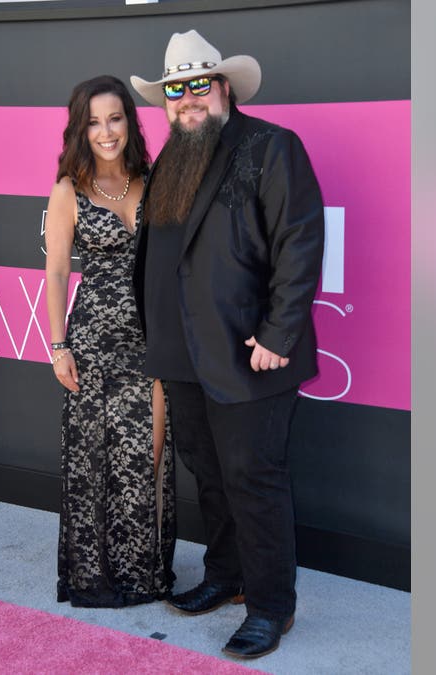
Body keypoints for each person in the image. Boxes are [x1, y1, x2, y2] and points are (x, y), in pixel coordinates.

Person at [130, 31, 325, 659]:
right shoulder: (172, 158)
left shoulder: (271, 147)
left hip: (250, 352)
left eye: (198, 85)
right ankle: (225, 575)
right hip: (182, 354)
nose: (187, 100)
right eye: (174, 91)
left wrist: (279, 333)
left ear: (224, 88)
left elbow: (299, 241)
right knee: (209, 474)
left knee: (253, 479)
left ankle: (272, 606)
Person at [44, 75, 176, 608]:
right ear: (81, 128)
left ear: (129, 122)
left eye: (115, 118)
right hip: (94, 343)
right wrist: (59, 346)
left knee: (148, 454)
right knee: (98, 460)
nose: (106, 131)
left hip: (153, 340)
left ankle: (145, 572)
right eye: (94, 121)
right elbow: (55, 273)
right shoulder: (67, 190)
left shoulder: (155, 179)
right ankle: (98, 575)